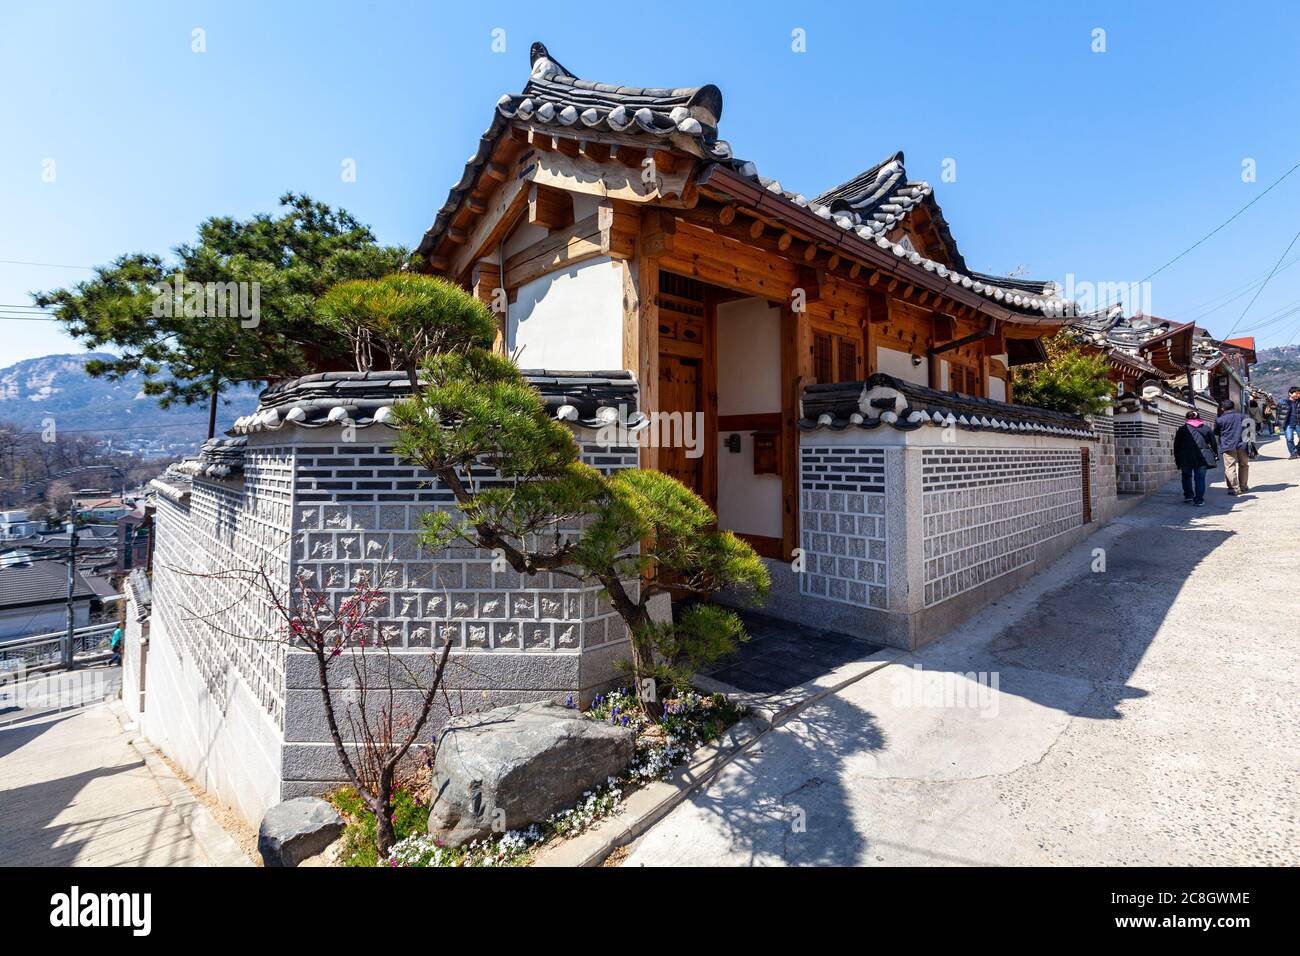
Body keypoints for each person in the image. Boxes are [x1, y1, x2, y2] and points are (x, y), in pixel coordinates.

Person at [1173, 409, 1218, 506]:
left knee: (1186, 476)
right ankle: (1199, 500)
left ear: (1186, 418)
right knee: (1200, 479)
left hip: (1185, 457)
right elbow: (1213, 443)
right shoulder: (1206, 428)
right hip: (1202, 458)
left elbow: (1176, 445)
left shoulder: (1182, 429)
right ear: (1199, 418)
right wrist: (1216, 454)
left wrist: (1177, 458)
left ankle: (1188, 496)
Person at [1214, 399, 1250, 495]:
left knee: (1230, 467)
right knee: (1244, 465)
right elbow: (1250, 430)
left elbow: (1216, 432)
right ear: (1234, 407)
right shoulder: (1243, 416)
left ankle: (1234, 488)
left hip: (1228, 445)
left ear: (1222, 408)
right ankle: (1243, 486)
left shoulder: (1219, 419)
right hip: (1243, 444)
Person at [1279, 386, 1300, 459]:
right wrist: (1276, 424)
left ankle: (1297, 450)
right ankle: (1293, 453)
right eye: (1296, 393)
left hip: (1298, 423)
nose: (1298, 395)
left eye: (1299, 393)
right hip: (1288, 424)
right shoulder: (1283, 402)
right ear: (1290, 394)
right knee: (1289, 439)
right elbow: (1279, 413)